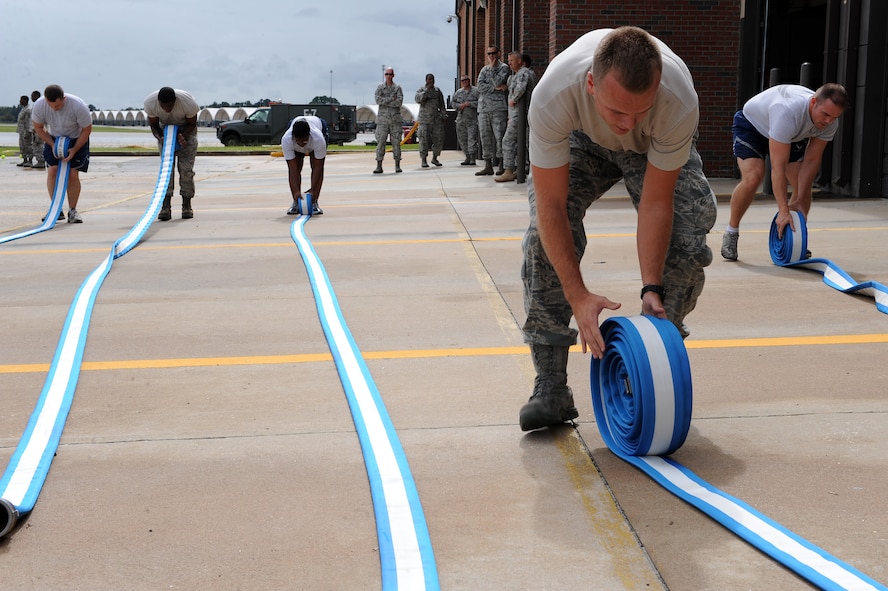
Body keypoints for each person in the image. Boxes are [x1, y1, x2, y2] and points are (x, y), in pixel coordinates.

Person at [519, 27, 717, 431]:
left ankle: (657, 358)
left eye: (640, 110)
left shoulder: (676, 101)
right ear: (591, 84)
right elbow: (553, 207)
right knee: (543, 236)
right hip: (581, 140)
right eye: (618, 112)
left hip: (652, 148)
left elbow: (656, 202)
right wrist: (577, 296)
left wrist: (652, 287)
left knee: (690, 223)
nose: (628, 123)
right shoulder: (553, 95)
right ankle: (551, 387)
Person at [720, 83, 847, 261]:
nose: (828, 121)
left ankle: (795, 240)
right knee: (754, 177)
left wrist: (799, 199)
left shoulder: (830, 122)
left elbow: (812, 161)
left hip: (792, 133)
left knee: (801, 185)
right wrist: (783, 210)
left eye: (834, 117)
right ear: (813, 103)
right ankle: (731, 232)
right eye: (825, 114)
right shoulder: (787, 111)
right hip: (752, 125)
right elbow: (777, 168)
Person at [31, 84, 93, 223]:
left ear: (63, 98)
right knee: (52, 171)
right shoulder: (40, 105)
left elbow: (87, 130)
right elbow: (38, 127)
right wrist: (52, 144)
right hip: (53, 138)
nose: (54, 109)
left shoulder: (77, 106)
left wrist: (75, 149)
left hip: (76, 137)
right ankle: (56, 209)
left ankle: (73, 211)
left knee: (72, 174)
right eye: (51, 105)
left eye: (58, 106)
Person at [144, 87, 199, 220]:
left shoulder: (188, 103)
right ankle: (165, 206)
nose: (166, 109)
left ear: (175, 101)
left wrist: (182, 137)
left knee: (186, 170)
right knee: (166, 170)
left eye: (169, 106)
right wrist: (160, 138)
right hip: (165, 133)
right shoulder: (150, 103)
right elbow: (154, 125)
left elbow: (192, 123)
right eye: (163, 106)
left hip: (186, 131)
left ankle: (187, 205)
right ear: (158, 102)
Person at [495, 52, 536, 183]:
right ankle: (521, 167)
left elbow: (521, 88)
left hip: (520, 113)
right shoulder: (515, 75)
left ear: (519, 61)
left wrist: (514, 99)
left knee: (507, 141)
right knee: (520, 142)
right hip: (515, 114)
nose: (509, 63)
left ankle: (508, 170)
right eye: (508, 60)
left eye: (512, 60)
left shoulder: (524, 73)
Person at [475, 46, 511, 176]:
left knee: (500, 137)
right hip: (483, 109)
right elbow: (480, 86)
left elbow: (498, 81)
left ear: (499, 54)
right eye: (489, 53)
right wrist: (496, 89)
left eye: (493, 53)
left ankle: (502, 164)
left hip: (498, 109)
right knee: (485, 137)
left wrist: (492, 68)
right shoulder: (484, 69)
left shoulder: (504, 68)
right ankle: (488, 165)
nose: (491, 56)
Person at [282, 116, 327, 215]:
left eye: (305, 141)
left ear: (309, 135)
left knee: (315, 165)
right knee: (297, 166)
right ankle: (295, 202)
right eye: (299, 141)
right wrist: (296, 192)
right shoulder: (287, 140)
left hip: (319, 125)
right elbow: (292, 169)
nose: (302, 144)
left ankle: (314, 202)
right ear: (294, 137)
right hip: (294, 124)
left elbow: (318, 168)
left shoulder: (318, 139)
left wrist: (313, 191)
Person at [374, 67, 404, 174]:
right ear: (384, 75)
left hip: (395, 120)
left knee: (396, 143)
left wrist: (385, 101)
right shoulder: (380, 87)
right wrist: (391, 99)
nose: (388, 76)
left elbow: (399, 102)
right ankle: (379, 165)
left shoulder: (398, 88)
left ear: (393, 75)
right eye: (387, 74)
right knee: (381, 143)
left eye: (390, 74)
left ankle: (397, 165)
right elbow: (378, 100)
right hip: (382, 121)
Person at [414, 73, 447, 168]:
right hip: (424, 120)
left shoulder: (437, 91)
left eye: (432, 79)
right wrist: (426, 92)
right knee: (423, 140)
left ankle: (435, 158)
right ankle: (424, 159)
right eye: (429, 79)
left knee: (439, 139)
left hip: (436, 120)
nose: (431, 81)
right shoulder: (421, 90)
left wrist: (443, 116)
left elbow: (442, 105)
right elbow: (417, 99)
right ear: (426, 80)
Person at [453, 75, 480, 166]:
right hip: (461, 120)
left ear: (469, 80)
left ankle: (472, 158)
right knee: (462, 139)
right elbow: (453, 103)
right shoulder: (458, 93)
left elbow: (480, 103)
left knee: (472, 138)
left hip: (472, 119)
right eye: (462, 80)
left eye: (466, 80)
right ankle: (467, 157)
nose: (464, 82)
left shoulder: (476, 91)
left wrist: (470, 104)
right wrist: (459, 106)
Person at [16, 95, 34, 167]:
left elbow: (28, 122)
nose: (20, 101)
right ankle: (25, 160)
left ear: (25, 100)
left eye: (21, 100)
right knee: (22, 146)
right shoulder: (23, 109)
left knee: (28, 146)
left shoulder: (28, 110)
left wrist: (28, 132)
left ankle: (30, 160)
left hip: (26, 132)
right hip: (21, 131)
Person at [29, 91, 46, 169]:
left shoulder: (39, 105)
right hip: (37, 129)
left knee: (38, 145)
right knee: (36, 145)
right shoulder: (38, 105)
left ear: (36, 96)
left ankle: (41, 161)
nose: (31, 98)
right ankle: (40, 160)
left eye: (32, 96)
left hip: (39, 129)